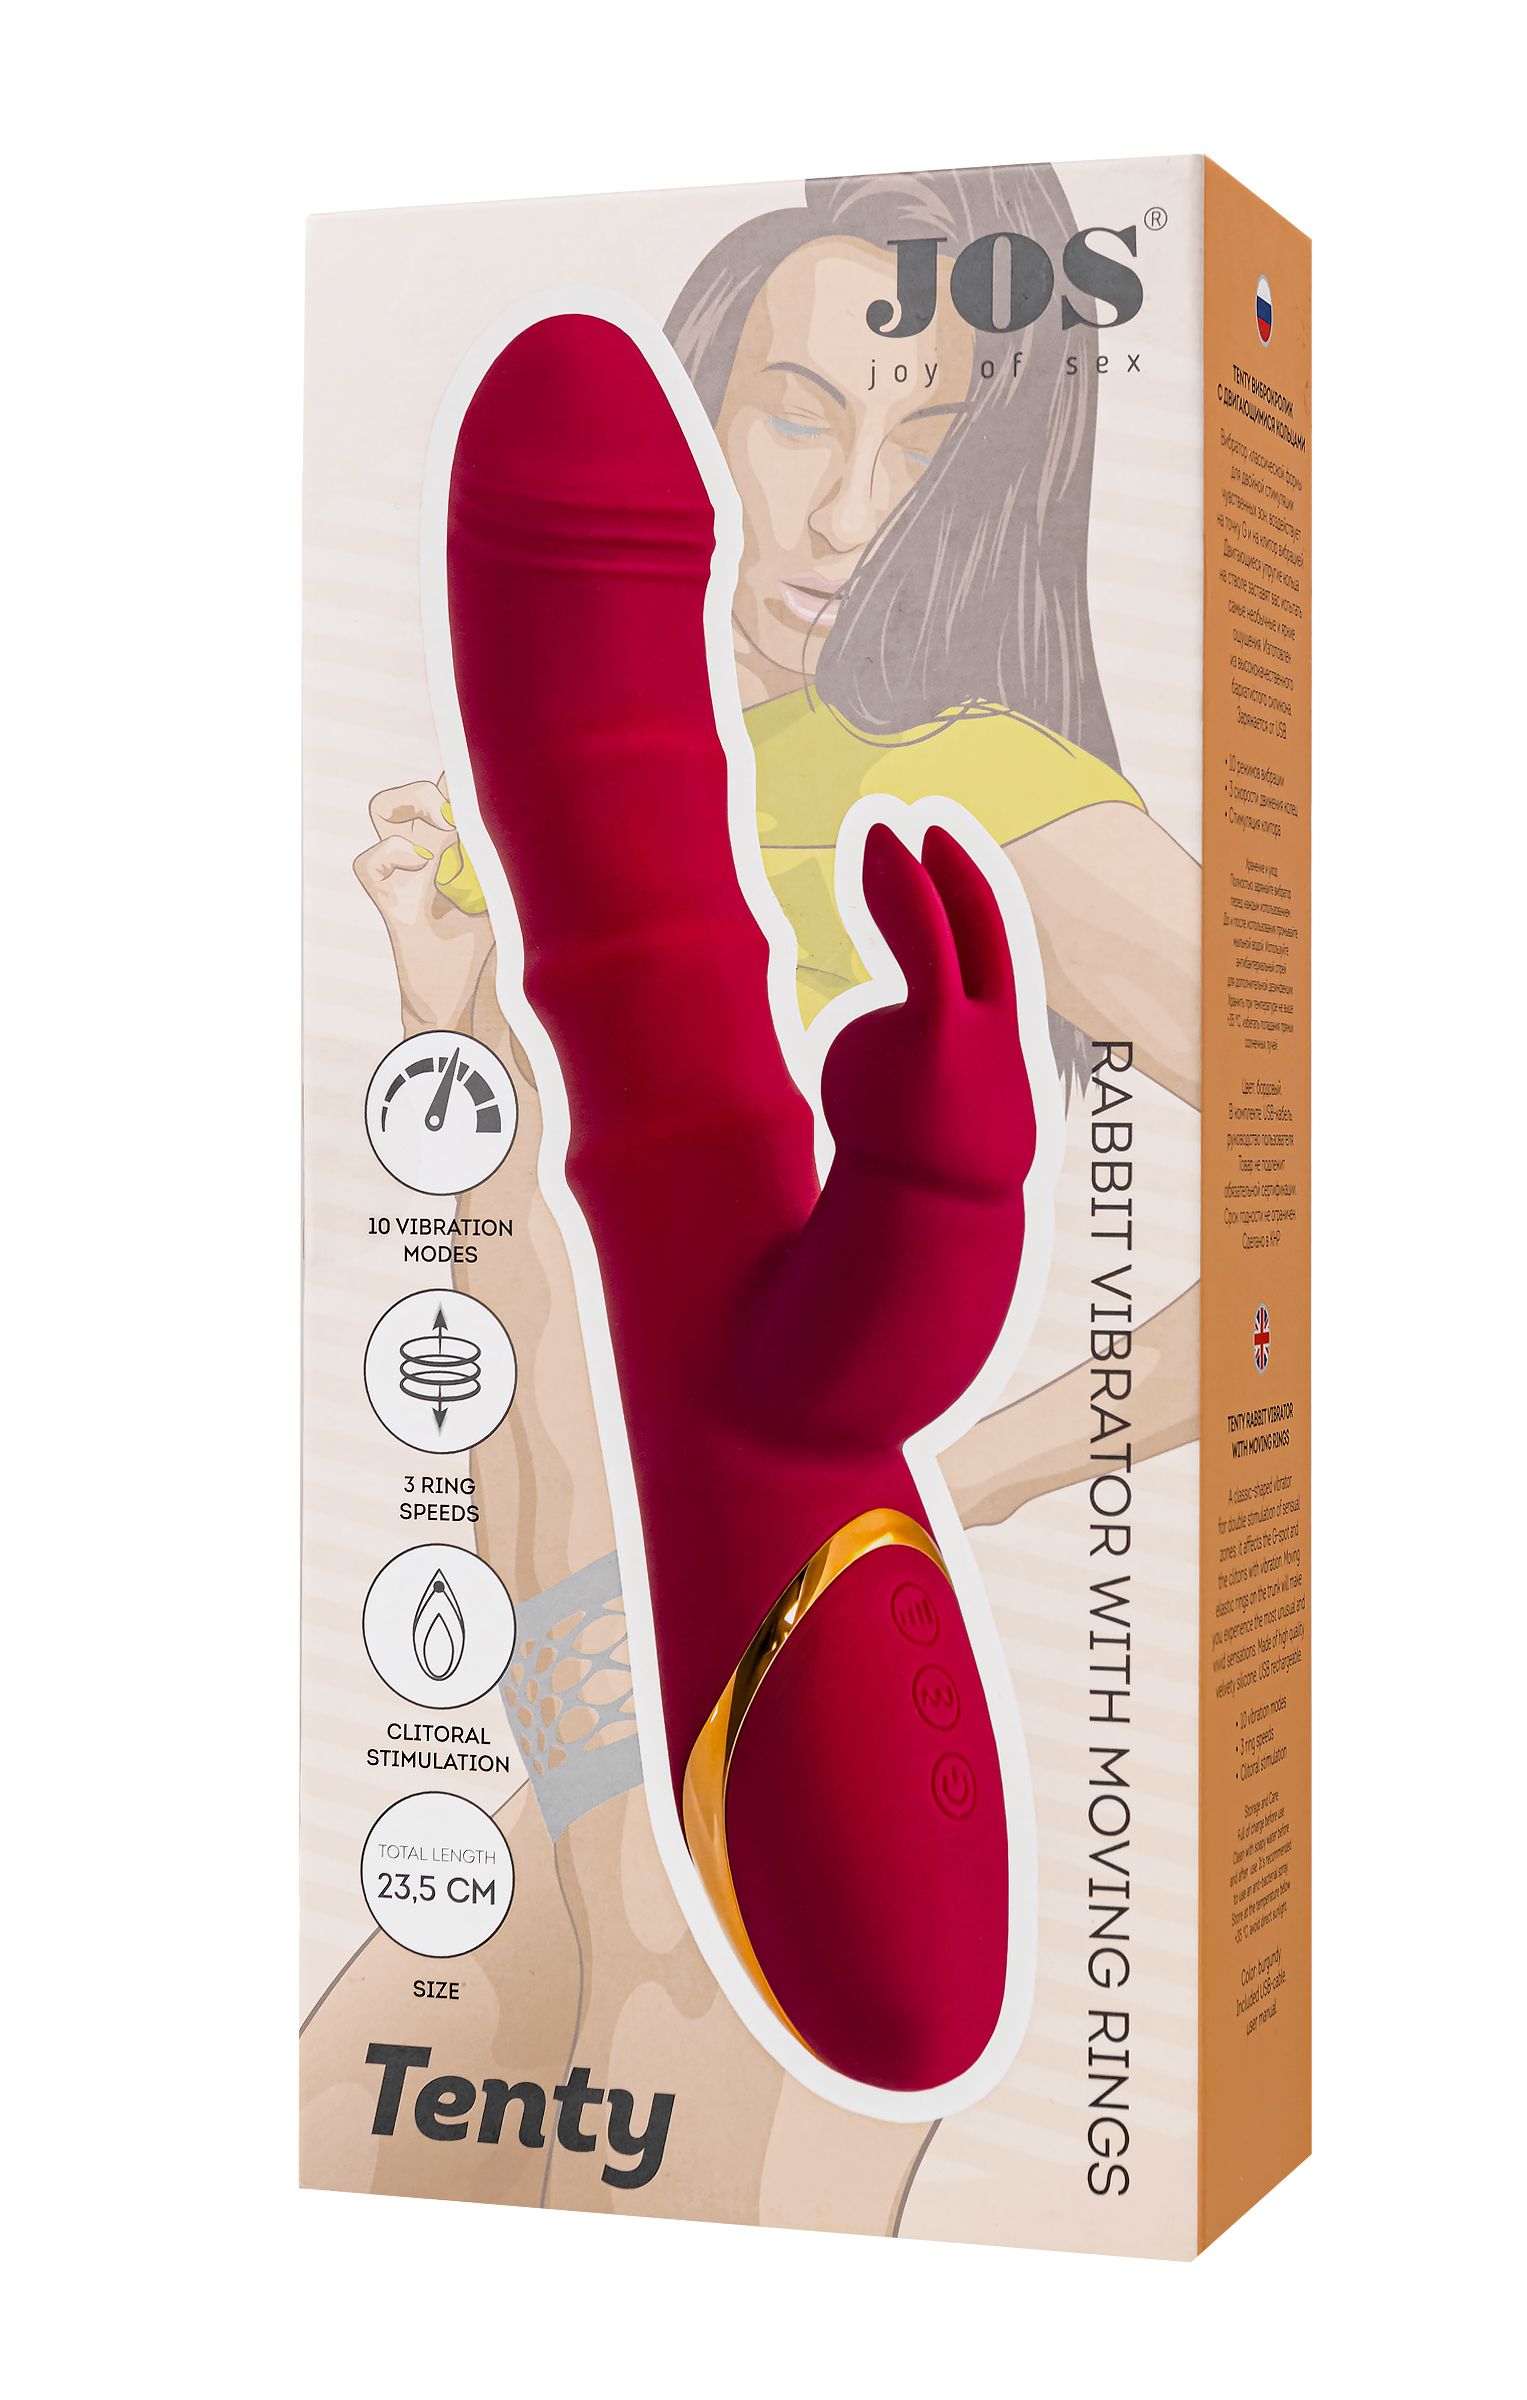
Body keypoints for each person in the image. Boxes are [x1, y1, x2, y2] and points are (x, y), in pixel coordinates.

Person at [302, 160, 1199, 2225]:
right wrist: (455, 1022)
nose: (848, 504)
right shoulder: (689, 767)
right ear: (711, 409)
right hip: (541, 1703)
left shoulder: (986, 787)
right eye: (797, 412)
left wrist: (975, 1424)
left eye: (923, 434)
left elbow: (1334, 1178)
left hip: (744, 1748)